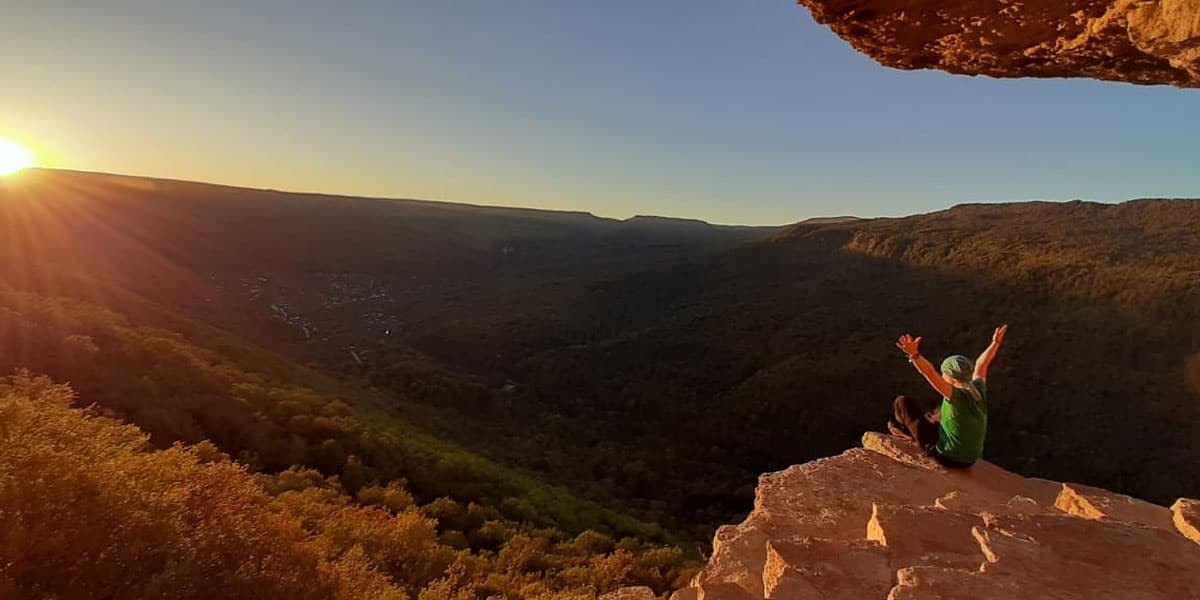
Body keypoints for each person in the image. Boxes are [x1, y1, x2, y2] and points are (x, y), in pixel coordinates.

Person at [888, 325, 1008, 468]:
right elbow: (981, 365)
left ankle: (903, 432)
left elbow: (929, 372)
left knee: (902, 402)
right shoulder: (977, 389)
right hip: (970, 461)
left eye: (944, 373)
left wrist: (914, 355)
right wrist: (995, 343)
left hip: (947, 457)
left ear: (950, 377)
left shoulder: (954, 395)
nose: (942, 376)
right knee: (937, 413)